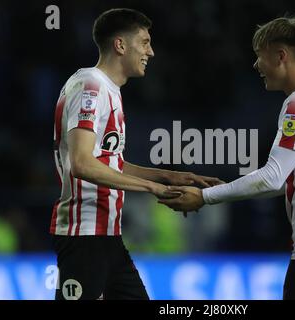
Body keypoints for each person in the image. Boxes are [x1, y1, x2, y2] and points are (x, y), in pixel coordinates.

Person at [159, 16, 295, 300]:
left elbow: (273, 178)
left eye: (260, 57)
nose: (256, 66)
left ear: (281, 56)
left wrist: (205, 196)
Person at [50, 8, 222, 300]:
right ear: (120, 45)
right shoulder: (91, 87)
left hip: (107, 236)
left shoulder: (108, 89)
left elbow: (109, 163)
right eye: (144, 42)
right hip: (84, 236)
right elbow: (81, 163)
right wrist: (152, 187)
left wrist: (170, 176)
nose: (151, 52)